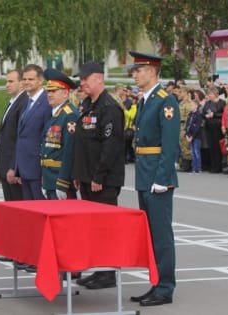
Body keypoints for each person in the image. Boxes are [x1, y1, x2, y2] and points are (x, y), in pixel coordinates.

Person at [128, 51, 180, 306]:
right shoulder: (146, 100)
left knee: (161, 235)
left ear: (152, 71)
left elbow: (169, 146)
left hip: (157, 177)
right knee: (150, 235)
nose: (134, 74)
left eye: (138, 70)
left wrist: (161, 178)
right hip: (145, 175)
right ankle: (156, 283)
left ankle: (166, 287)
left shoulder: (165, 100)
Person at [72, 61, 125, 290]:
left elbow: (110, 146)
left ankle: (108, 273)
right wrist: (79, 173)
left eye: (86, 78)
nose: (82, 83)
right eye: (81, 79)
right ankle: (99, 269)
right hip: (87, 177)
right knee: (92, 228)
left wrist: (98, 176)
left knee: (106, 228)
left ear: (99, 79)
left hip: (102, 180)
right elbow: (82, 143)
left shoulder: (109, 108)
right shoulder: (87, 105)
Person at [15, 64, 52, 200]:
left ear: (40, 80)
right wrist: (18, 168)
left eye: (31, 79)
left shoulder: (47, 102)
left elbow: (47, 138)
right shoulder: (27, 101)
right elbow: (22, 136)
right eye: (24, 79)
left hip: (38, 169)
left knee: (39, 208)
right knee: (29, 212)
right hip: (25, 168)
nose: (26, 82)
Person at [41, 68, 79, 200]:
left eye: (53, 91)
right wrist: (45, 182)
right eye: (48, 91)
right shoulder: (55, 114)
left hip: (59, 180)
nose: (49, 94)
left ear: (65, 93)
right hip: (49, 178)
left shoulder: (69, 115)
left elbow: (69, 151)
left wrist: (63, 183)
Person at [0, 69, 27, 201]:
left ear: (21, 83)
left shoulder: (23, 103)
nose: (7, 85)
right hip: (5, 168)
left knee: (18, 208)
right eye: (6, 81)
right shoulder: (12, 102)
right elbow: (5, 138)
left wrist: (14, 168)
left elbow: (20, 139)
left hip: (13, 169)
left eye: (11, 81)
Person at [202, 87, 226, 173]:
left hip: (217, 127)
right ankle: (212, 166)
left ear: (215, 94)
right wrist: (206, 115)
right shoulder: (208, 103)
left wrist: (214, 114)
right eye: (209, 94)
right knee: (211, 147)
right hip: (209, 126)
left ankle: (218, 166)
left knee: (217, 147)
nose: (209, 96)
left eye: (211, 94)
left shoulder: (222, 103)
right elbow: (203, 112)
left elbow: (224, 114)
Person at [185, 99, 203, 173]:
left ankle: (198, 168)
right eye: (190, 105)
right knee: (192, 152)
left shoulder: (198, 115)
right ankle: (193, 168)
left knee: (196, 152)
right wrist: (187, 134)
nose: (191, 106)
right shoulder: (190, 114)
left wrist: (192, 136)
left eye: (192, 105)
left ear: (196, 106)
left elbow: (197, 127)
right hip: (190, 136)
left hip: (196, 137)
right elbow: (187, 125)